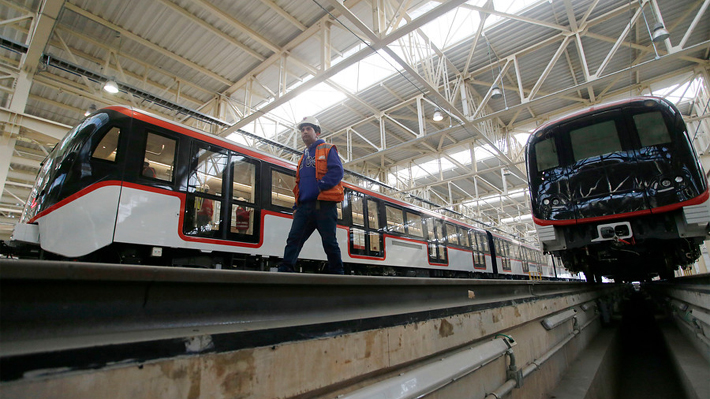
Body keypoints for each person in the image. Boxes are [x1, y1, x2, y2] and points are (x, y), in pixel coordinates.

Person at [278, 116, 345, 274]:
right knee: (294, 239)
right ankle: (285, 270)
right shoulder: (302, 157)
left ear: (317, 132)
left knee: (329, 242)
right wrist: (296, 205)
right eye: (302, 130)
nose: (304, 132)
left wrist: (321, 186)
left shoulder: (328, 149)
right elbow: (299, 183)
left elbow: (337, 171)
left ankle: (338, 273)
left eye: (308, 129)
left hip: (324, 206)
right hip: (304, 208)